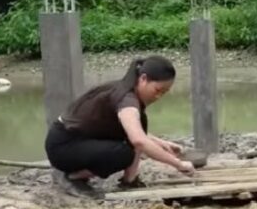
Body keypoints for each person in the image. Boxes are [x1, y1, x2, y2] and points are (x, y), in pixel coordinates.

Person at [45, 56, 194, 198]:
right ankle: (71, 176)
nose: (158, 97)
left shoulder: (125, 91)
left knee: (131, 140)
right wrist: (178, 164)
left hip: (79, 140)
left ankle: (129, 180)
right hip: (63, 146)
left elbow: (132, 130)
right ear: (143, 79)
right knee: (122, 154)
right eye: (157, 90)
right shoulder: (127, 100)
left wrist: (161, 143)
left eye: (164, 93)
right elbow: (139, 140)